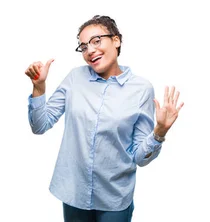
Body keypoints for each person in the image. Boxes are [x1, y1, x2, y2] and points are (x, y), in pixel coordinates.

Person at [24, 15, 184, 222]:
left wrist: (159, 132)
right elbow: (40, 125)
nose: (90, 50)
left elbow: (139, 158)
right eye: (83, 47)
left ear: (116, 40)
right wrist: (39, 87)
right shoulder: (75, 78)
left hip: (114, 198)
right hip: (74, 193)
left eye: (96, 41)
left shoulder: (141, 89)